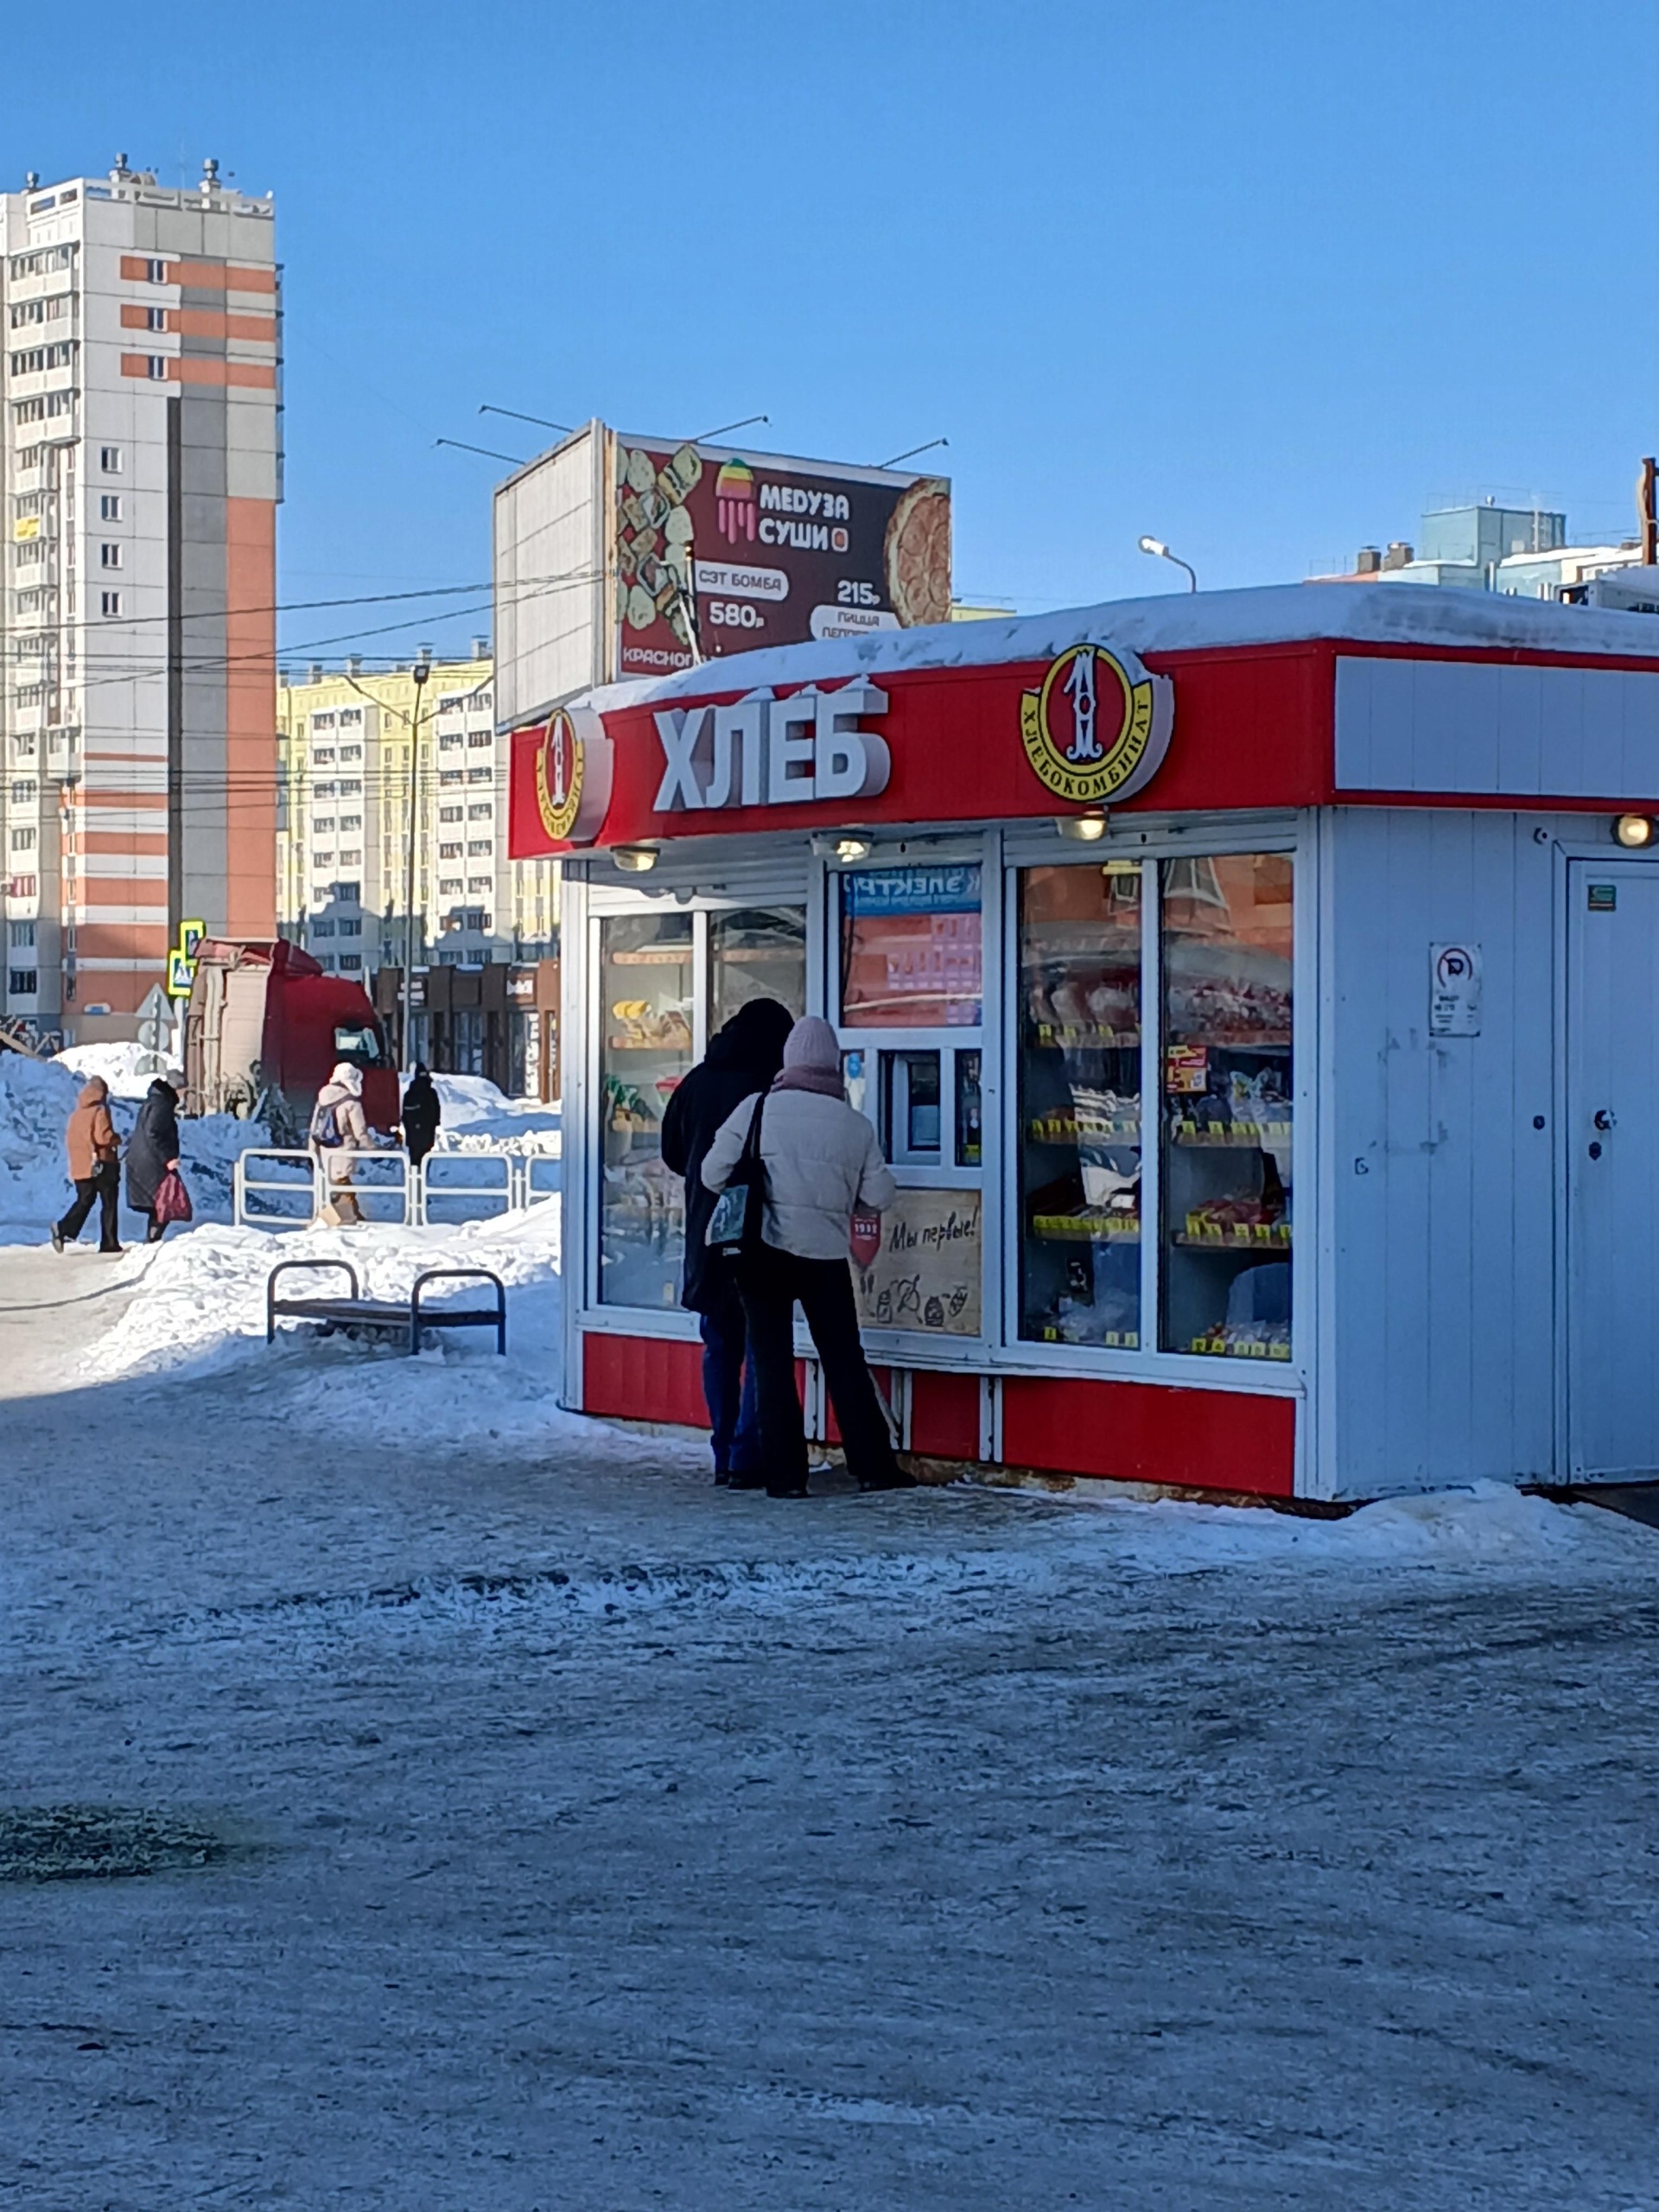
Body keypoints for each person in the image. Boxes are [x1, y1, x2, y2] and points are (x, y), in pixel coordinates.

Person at [702, 1014, 915, 1499]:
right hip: (824, 1257)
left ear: (789, 1061)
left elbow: (713, 1173)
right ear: (833, 1065)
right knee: (844, 1360)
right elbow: (880, 1195)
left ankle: (784, 1478)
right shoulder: (854, 1125)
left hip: (762, 1255)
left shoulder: (755, 1109)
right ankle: (873, 1466)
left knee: (771, 1363)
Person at [661, 997, 795, 1484]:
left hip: (708, 1230)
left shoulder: (698, 1080)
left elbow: (672, 1151)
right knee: (763, 1344)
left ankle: (723, 1452)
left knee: (719, 1346)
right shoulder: (771, 1085)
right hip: (764, 1232)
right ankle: (747, 1453)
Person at [50, 1075, 122, 1255]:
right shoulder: (100, 1111)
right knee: (109, 1202)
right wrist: (116, 1139)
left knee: (85, 1200)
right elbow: (102, 1137)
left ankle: (64, 1228)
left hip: (81, 1166)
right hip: (102, 1163)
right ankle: (109, 1242)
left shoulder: (76, 1115)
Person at [126, 1069, 183, 1244]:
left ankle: (152, 1239)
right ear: (176, 1088)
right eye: (184, 1089)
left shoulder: (156, 1101)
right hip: (152, 1161)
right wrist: (168, 1158)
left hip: (145, 1159)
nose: (185, 1094)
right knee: (164, 1202)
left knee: (160, 1203)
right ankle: (153, 1240)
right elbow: (153, 1132)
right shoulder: (162, 1105)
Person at [311, 1061, 370, 1225]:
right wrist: (375, 1149)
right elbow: (361, 1132)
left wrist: (312, 1152)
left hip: (325, 1151)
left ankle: (352, 1217)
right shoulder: (352, 1102)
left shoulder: (322, 1098)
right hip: (344, 1152)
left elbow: (315, 1128)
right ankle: (337, 1220)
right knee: (342, 1187)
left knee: (339, 1187)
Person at [400, 1064, 441, 1172]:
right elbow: (436, 1112)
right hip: (427, 1133)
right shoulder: (431, 1093)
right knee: (425, 1159)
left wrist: (409, 1127)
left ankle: (414, 1181)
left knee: (414, 1160)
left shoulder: (409, 1093)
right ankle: (422, 1181)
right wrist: (435, 1124)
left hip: (412, 1134)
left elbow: (405, 1115)